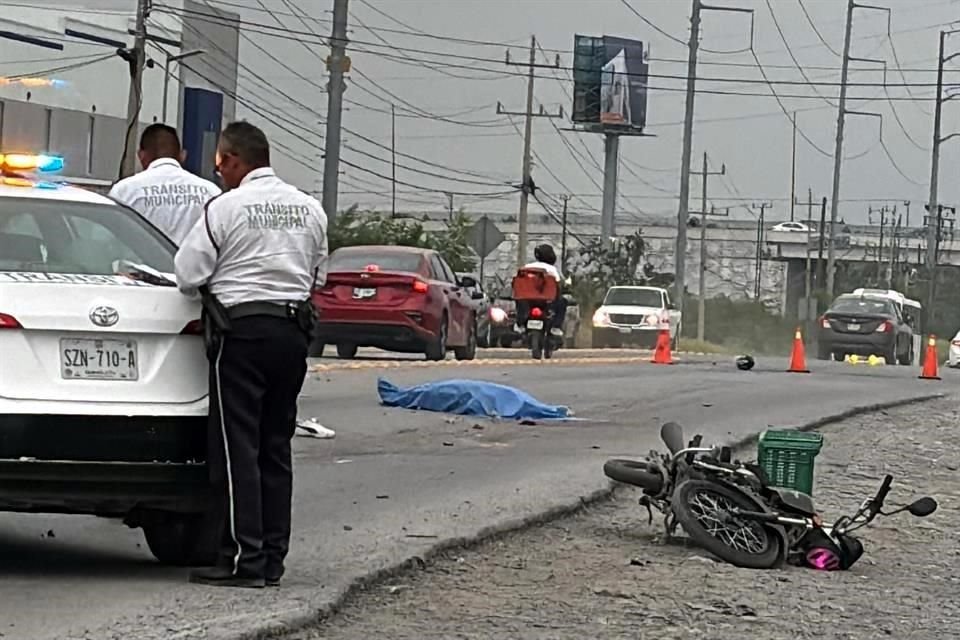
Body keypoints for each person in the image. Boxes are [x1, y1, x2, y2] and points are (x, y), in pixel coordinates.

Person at [174, 121, 328, 589]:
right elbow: (317, 277)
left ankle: (246, 559)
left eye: (221, 163)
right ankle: (274, 558)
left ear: (234, 161)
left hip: (242, 334)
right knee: (275, 446)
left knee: (237, 447)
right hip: (292, 334)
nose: (219, 172)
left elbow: (187, 273)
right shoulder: (309, 209)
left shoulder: (226, 207)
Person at [109, 123, 221, 244]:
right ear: (182, 155)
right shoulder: (211, 192)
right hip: (196, 263)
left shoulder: (124, 191)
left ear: (141, 156)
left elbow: (111, 238)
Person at [519, 243, 567, 337]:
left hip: (529, 300)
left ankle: (520, 324)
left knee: (520, 301)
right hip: (547, 300)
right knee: (563, 301)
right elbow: (558, 283)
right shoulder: (552, 269)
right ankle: (556, 327)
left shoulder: (527, 267)